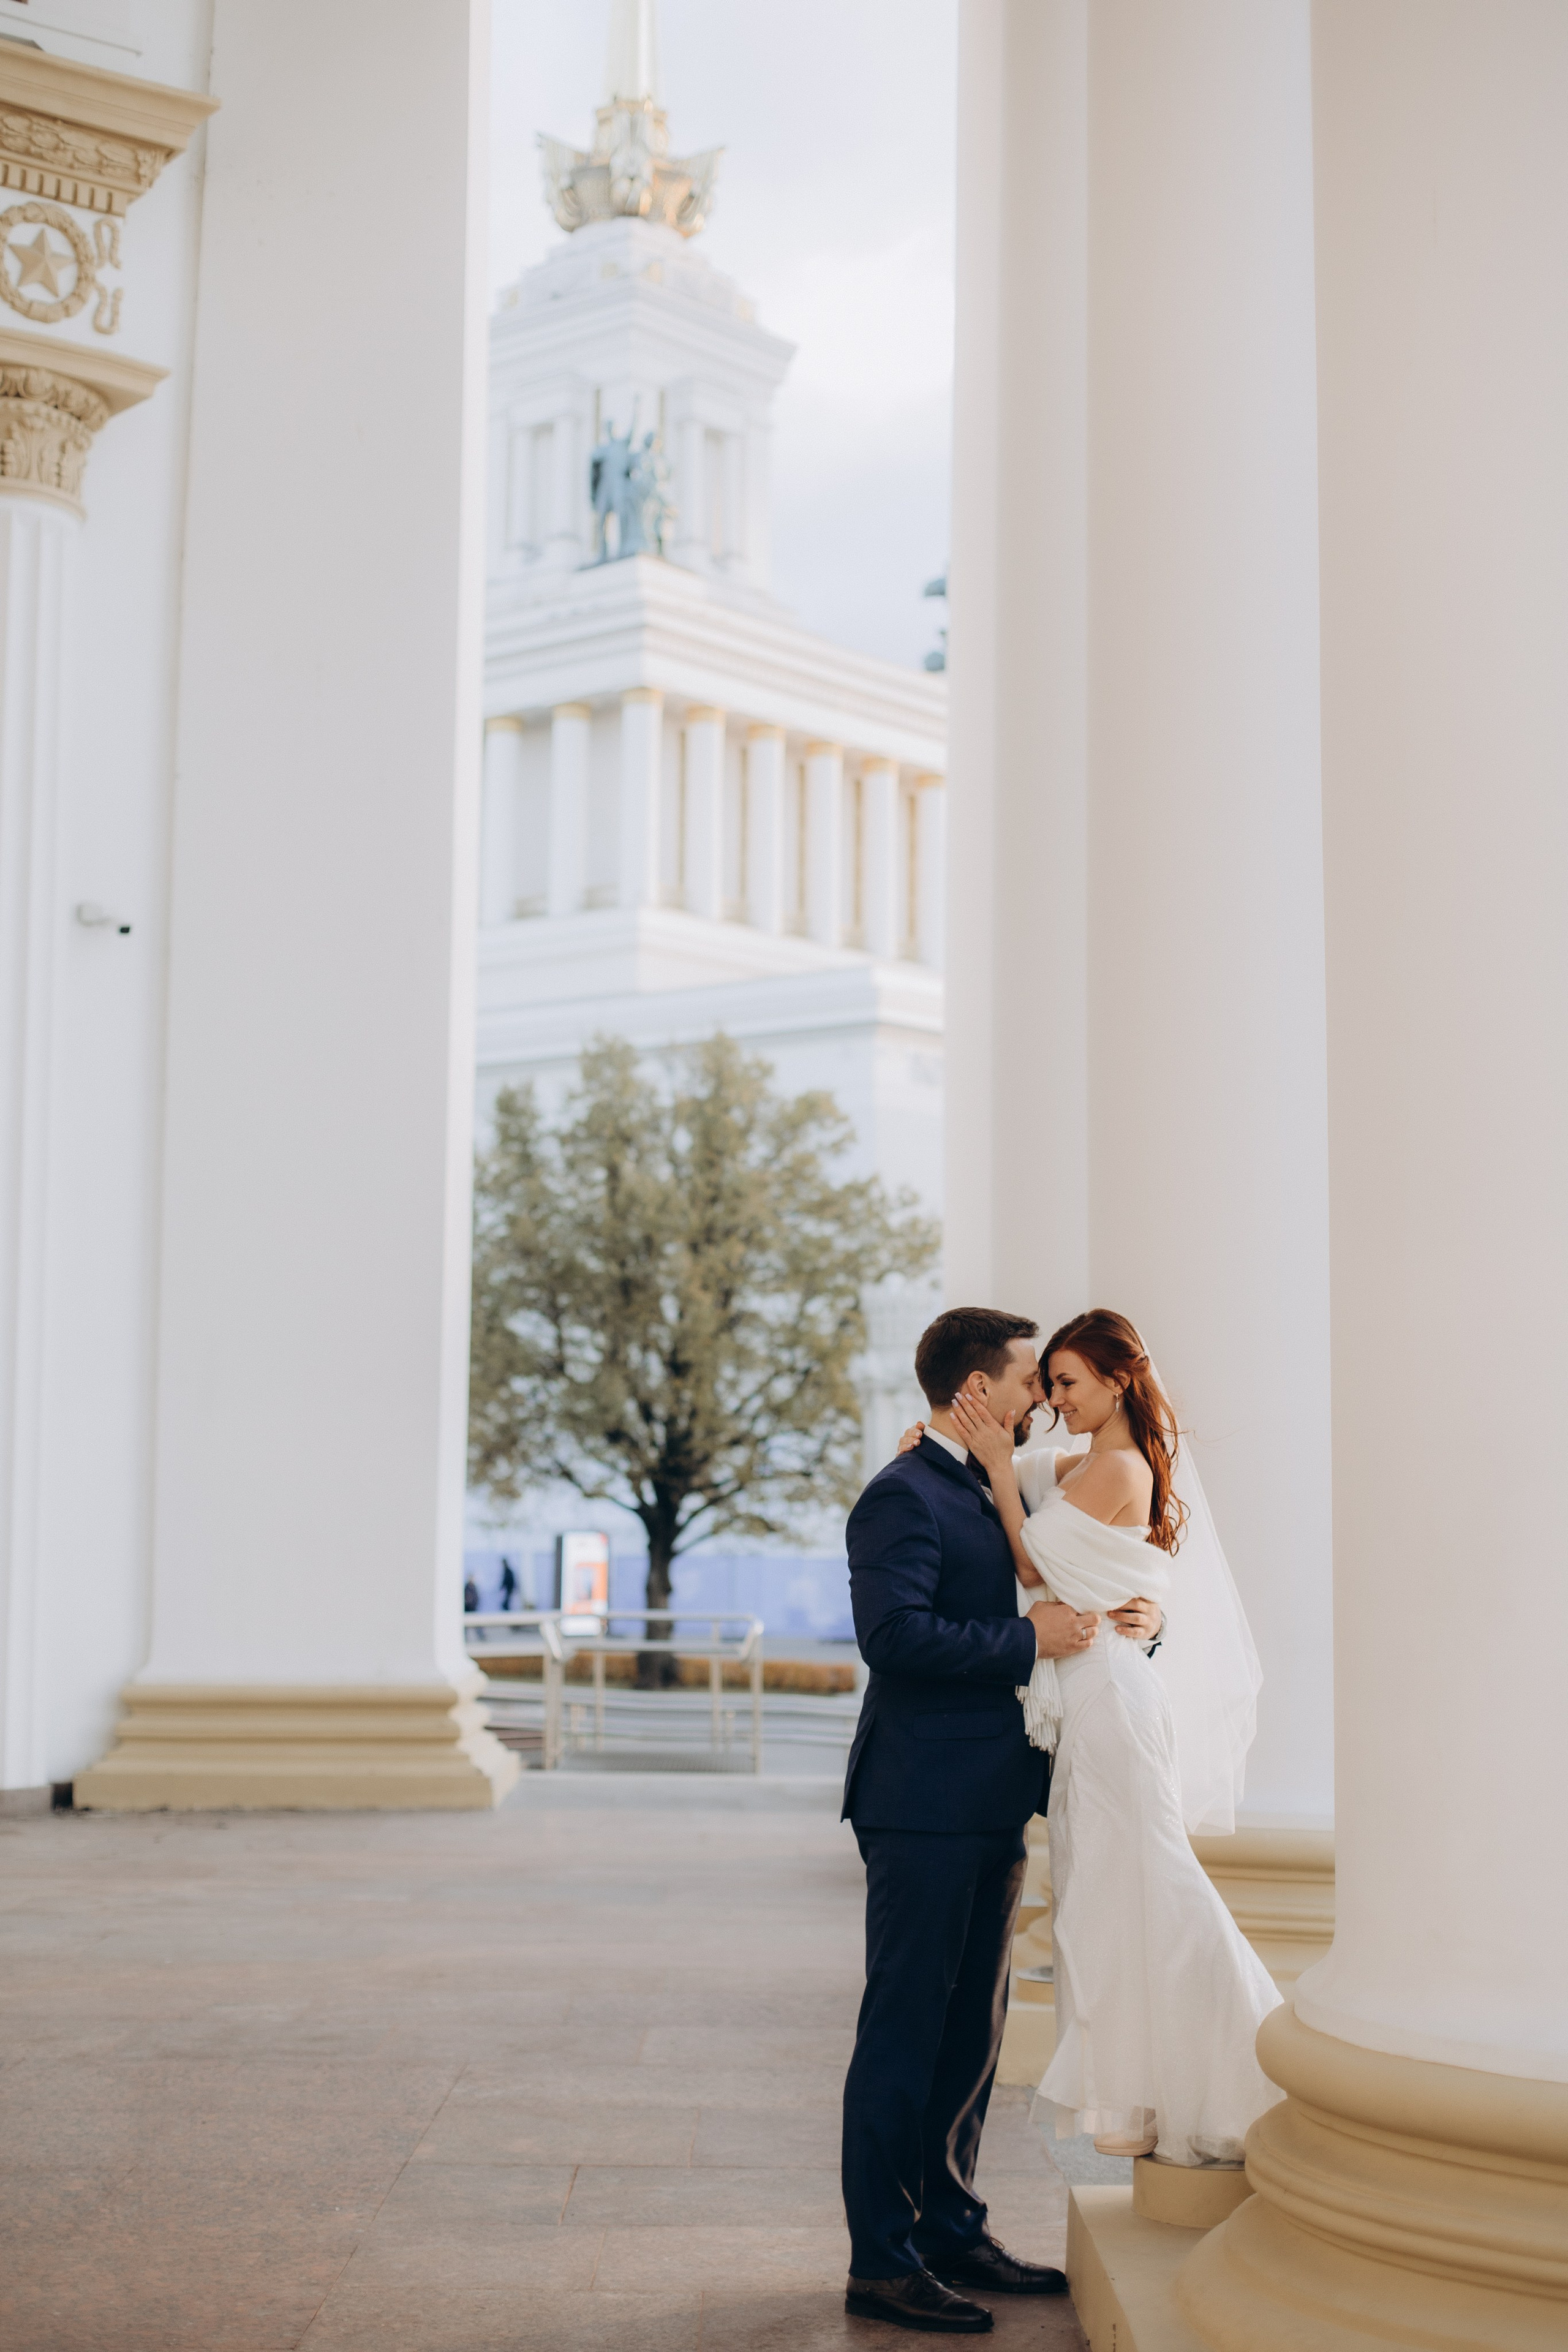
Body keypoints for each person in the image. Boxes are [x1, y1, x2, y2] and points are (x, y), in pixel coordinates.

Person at [840, 1307, 1163, 2335]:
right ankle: (882, 2261)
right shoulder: (901, 1496)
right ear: (975, 1391)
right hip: (920, 1803)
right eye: (1031, 1382)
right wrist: (1024, 1639)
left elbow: (1083, 1572)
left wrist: (1148, 1618)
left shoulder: (1001, 1479)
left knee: (971, 2033)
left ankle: (949, 2228)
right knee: (905, 2029)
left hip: (995, 1800)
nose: (1043, 1403)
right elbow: (895, 1639)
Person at [931, 1309, 1282, 2168]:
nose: (1054, 1398)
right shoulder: (1085, 1462)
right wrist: (961, 1441)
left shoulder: (1120, 1467)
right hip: (1089, 1697)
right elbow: (1028, 1488)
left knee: (1153, 1881)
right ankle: (1144, 2094)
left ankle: (1245, 2072)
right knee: (1102, 1892)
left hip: (1112, 1700)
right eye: (1047, 1383)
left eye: (1068, 1383)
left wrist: (998, 1470)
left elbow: (1029, 1566)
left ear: (1118, 1380)